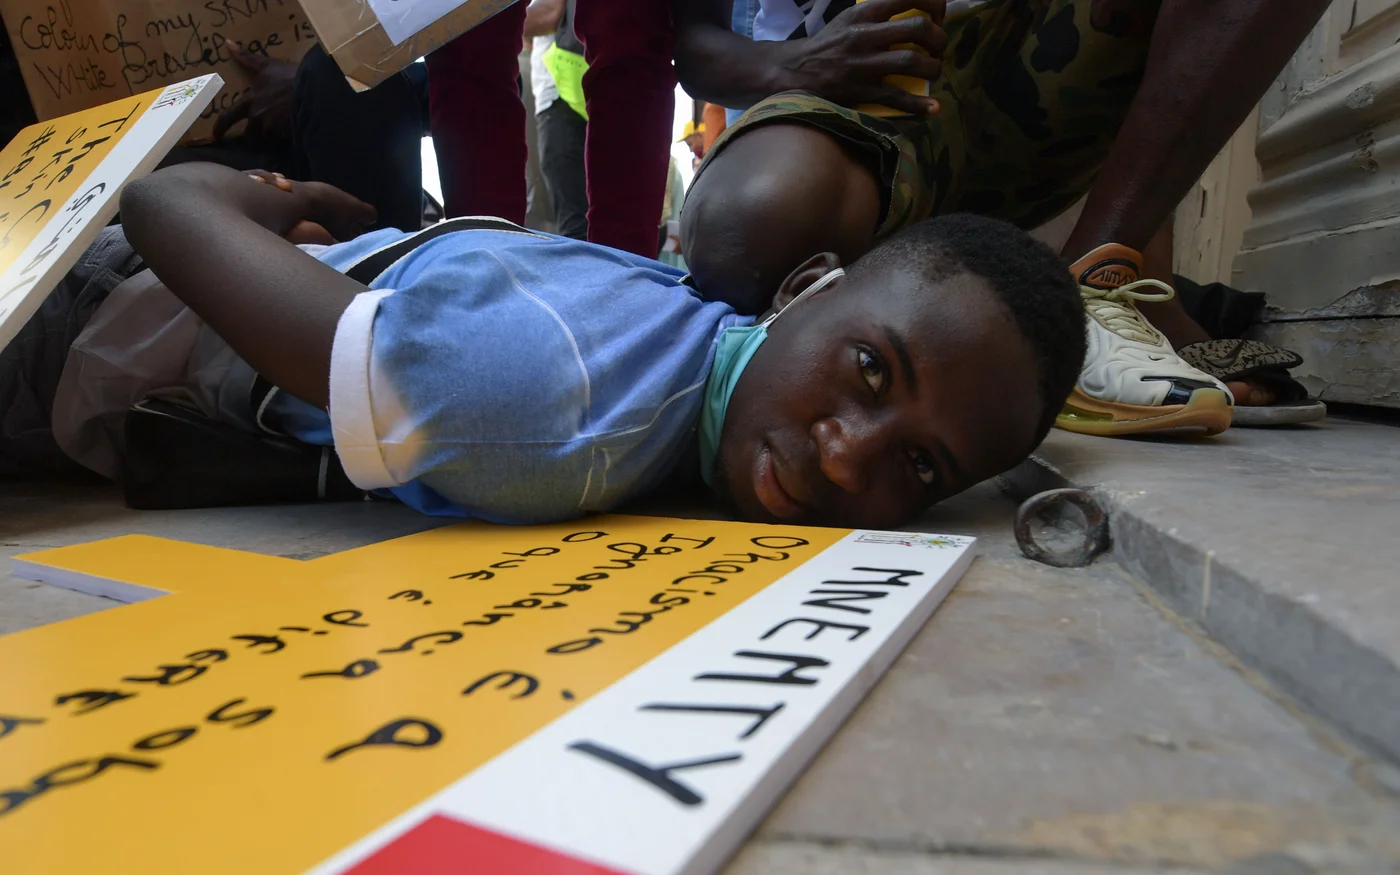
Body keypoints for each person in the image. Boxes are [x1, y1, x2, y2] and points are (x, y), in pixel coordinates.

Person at [0, 163, 1085, 528]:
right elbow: (160, 202)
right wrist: (273, 196)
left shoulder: (649, 354)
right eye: (869, 370)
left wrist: (289, 216)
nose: (848, 457)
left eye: (919, 466)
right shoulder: (544, 398)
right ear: (802, 288)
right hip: (56, 314)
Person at [673, 0, 1331, 433]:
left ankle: (1102, 278)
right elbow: (691, 43)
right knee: (748, 228)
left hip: (1040, 63)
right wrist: (804, 62)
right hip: (855, 86)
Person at [427, 0, 676, 257]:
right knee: (629, 36)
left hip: (557, 95)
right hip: (561, 94)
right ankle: (626, 260)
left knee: (471, 40)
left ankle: (483, 255)